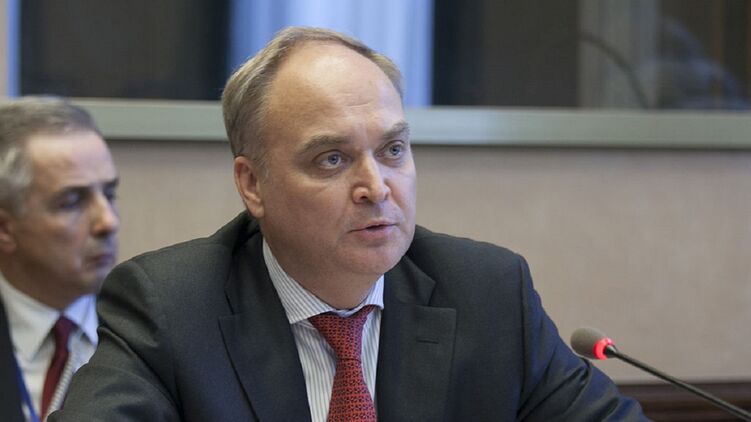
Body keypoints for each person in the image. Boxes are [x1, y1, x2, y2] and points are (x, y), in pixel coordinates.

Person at [53, 27, 645, 421]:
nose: (376, 187)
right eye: (332, 159)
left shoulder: (488, 293)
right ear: (252, 184)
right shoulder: (171, 308)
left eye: (392, 150)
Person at [0, 97, 120, 422]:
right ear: (5, 228)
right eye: (72, 202)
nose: (108, 221)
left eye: (109, 194)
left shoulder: (153, 330)